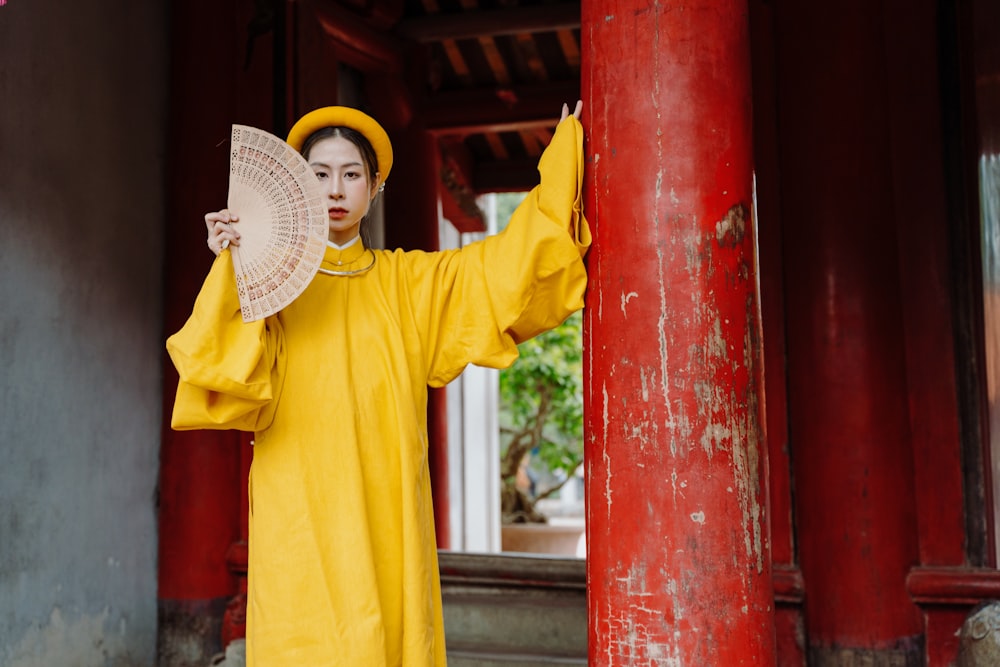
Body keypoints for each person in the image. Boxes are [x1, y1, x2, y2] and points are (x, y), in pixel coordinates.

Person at [166, 101, 590, 666]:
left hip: (388, 501)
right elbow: (216, 365)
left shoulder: (412, 283)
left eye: (351, 174)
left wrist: (562, 160)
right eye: (318, 175)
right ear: (296, 186)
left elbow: (506, 271)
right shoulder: (271, 288)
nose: (335, 189)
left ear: (375, 187)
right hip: (299, 504)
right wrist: (234, 264)